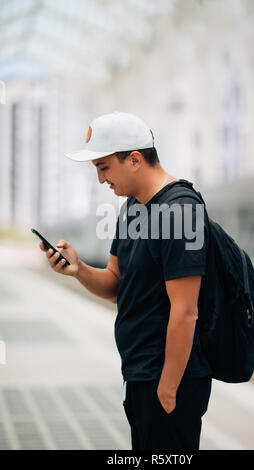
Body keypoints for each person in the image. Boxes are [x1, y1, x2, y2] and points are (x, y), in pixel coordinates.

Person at [40, 111, 212, 450]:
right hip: (139, 375)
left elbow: (186, 310)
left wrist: (168, 387)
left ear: (134, 159)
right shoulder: (132, 208)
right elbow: (118, 283)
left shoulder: (182, 209)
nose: (101, 179)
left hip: (167, 380)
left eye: (104, 167)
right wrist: (79, 269)